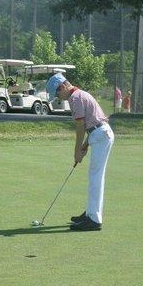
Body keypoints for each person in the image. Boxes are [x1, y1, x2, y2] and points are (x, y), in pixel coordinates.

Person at [46, 73, 114, 231]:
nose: (58, 97)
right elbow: (93, 123)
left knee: (96, 177)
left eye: (57, 93)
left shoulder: (75, 98)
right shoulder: (80, 94)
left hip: (100, 135)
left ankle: (95, 220)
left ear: (63, 87)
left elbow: (80, 127)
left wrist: (77, 150)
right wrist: (85, 145)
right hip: (99, 134)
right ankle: (90, 213)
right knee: (94, 176)